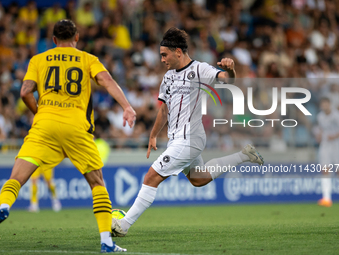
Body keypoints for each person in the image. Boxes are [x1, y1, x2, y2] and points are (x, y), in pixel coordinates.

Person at [111, 27, 264, 237]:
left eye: (165, 54)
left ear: (178, 52)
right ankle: (244, 155)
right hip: (178, 140)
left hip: (190, 138)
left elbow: (228, 80)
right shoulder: (168, 78)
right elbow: (163, 110)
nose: (162, 59)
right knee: (198, 179)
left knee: (151, 177)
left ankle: (124, 225)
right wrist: (153, 135)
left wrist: (231, 69)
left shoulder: (200, 69)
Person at [0, 19, 136, 253]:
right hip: (75, 127)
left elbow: (24, 92)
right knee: (97, 184)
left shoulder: (38, 59)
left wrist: (39, 112)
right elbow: (107, 81)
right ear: (77, 38)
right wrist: (126, 106)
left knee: (17, 177)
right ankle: (106, 242)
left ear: (53, 40)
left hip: (44, 126)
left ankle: (3, 205)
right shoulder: (87, 59)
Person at [315, 97, 339, 207]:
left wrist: (334, 136)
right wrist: (319, 135)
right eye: (322, 104)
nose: (324, 106)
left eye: (326, 104)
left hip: (337, 144)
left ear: (329, 104)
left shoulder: (336, 115)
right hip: (325, 144)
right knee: (325, 169)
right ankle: (326, 198)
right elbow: (320, 129)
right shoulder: (320, 116)